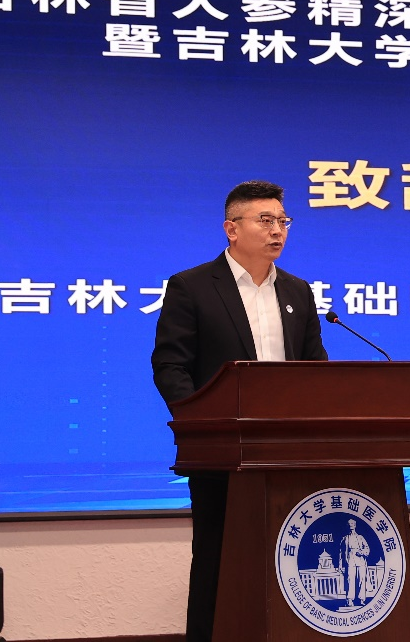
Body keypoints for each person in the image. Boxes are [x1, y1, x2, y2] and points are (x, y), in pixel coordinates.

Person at [151, 180, 328, 642]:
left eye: (283, 221)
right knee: (217, 559)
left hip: (289, 455)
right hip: (222, 454)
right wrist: (200, 425)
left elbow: (315, 370)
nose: (277, 230)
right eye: (265, 220)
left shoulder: (297, 291)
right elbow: (170, 365)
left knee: (291, 561)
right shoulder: (192, 287)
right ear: (232, 229)